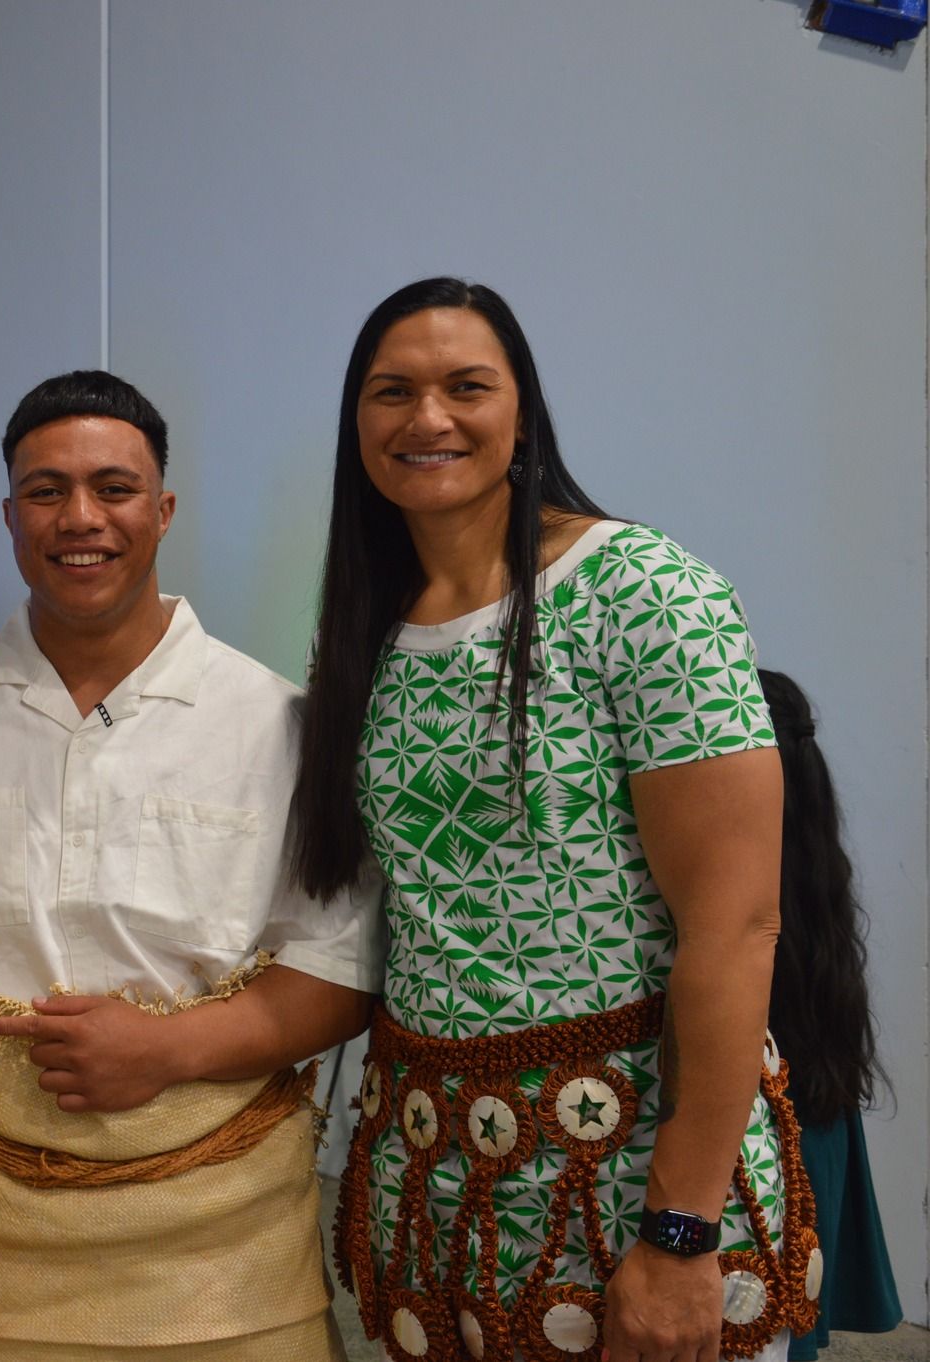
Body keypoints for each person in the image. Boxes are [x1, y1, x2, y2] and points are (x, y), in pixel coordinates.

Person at [297, 279, 817, 1362]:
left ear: (521, 412)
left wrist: (679, 1232)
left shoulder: (641, 591)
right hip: (443, 1195)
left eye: (464, 386)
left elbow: (734, 925)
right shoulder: (368, 632)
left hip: (630, 1185)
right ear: (356, 425)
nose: (425, 417)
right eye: (390, 391)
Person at [0, 369, 382, 1360]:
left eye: (112, 489)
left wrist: (166, 1051)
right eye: (44, 490)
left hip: (227, 1256)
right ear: (9, 513)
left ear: (162, 510)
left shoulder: (276, 723)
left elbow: (339, 968)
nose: (79, 519)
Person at [757, 670, 902, 1359]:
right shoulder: (815, 857)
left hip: (773, 1136)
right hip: (815, 1116)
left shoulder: (743, 876)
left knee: (770, 1320)